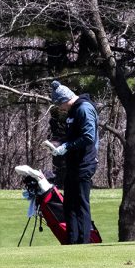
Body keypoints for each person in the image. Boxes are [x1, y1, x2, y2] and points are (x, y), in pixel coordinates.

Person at [47, 80, 99, 244]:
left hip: (85, 162)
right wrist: (59, 144)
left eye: (60, 104)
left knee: (81, 203)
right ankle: (71, 241)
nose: (61, 108)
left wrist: (67, 146)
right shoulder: (73, 111)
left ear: (65, 100)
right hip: (73, 163)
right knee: (69, 204)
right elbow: (73, 136)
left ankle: (83, 242)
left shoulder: (84, 109)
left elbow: (88, 137)